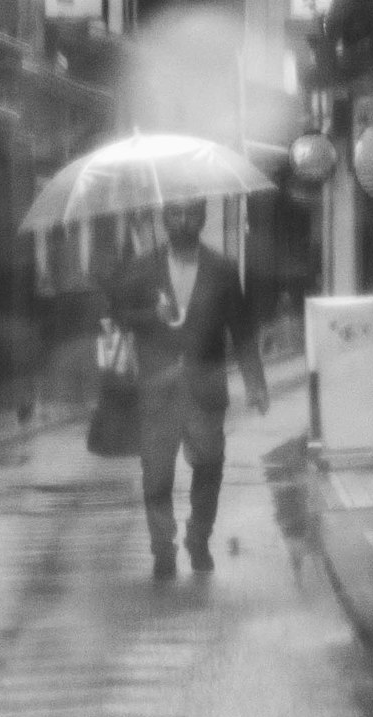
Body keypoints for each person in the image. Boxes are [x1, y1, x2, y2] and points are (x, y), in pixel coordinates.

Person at [100, 198, 268, 580]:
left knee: (209, 468)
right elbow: (116, 317)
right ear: (164, 219)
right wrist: (148, 315)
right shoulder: (142, 269)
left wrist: (255, 382)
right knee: (156, 472)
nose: (183, 220)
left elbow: (241, 330)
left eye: (191, 213)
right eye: (175, 213)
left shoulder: (222, 270)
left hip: (205, 386)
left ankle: (199, 537)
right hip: (156, 389)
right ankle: (163, 548)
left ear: (203, 217)